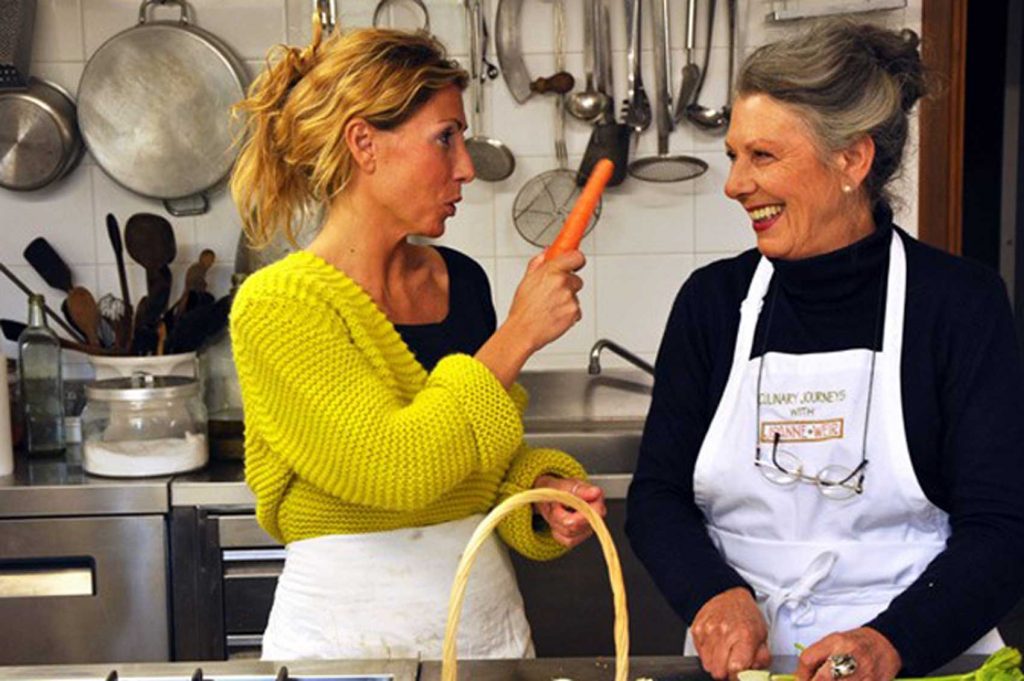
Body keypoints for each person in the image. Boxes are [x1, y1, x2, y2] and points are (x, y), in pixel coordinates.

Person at [626, 19, 1024, 681]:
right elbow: (658, 496)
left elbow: (1004, 525)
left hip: (923, 655)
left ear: (852, 160)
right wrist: (713, 595)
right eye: (733, 155)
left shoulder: (959, 304)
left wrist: (888, 642)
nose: (734, 184)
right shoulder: (713, 303)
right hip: (744, 664)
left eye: (763, 156)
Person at [228, 25, 605, 661]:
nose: (465, 167)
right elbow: (395, 468)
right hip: (344, 644)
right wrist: (518, 334)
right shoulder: (280, 306)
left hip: (484, 628)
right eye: (445, 139)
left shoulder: (461, 282)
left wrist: (538, 492)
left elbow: (473, 462)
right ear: (364, 143)